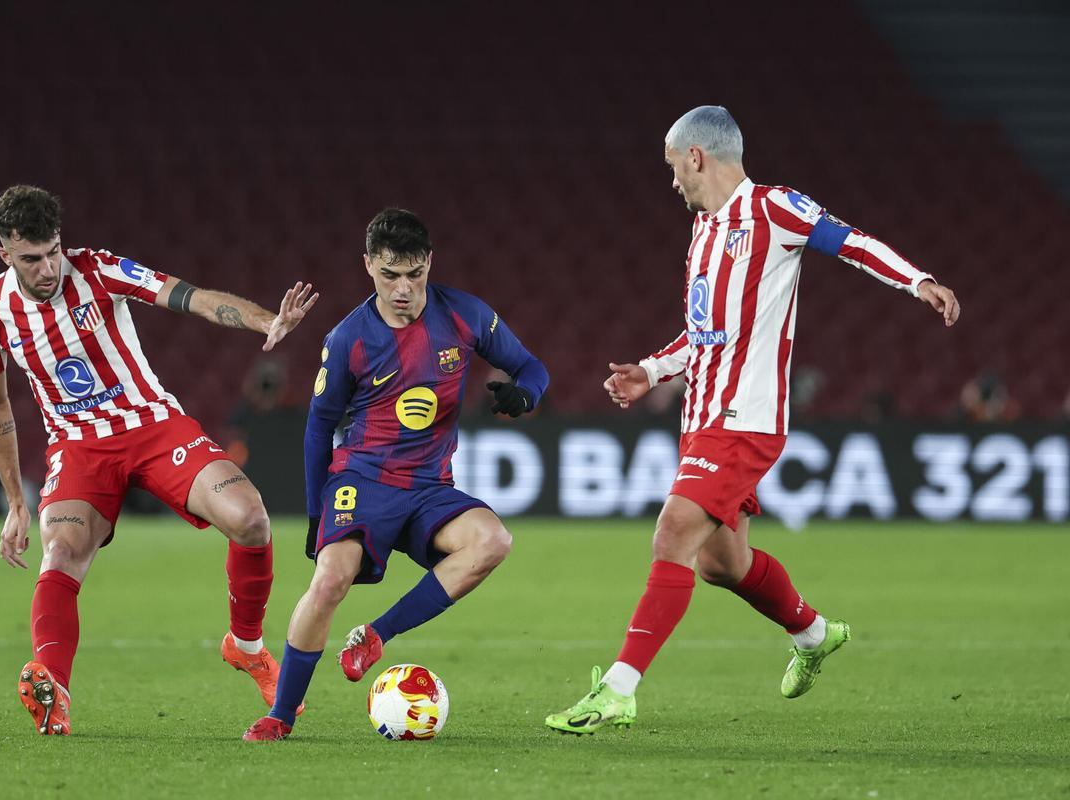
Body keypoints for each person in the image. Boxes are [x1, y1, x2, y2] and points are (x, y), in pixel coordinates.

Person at [545, 106, 961, 735]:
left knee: (672, 532)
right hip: (702, 415)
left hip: (747, 417)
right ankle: (815, 634)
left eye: (672, 168)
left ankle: (619, 689)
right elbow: (702, 335)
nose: (672, 184)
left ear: (696, 157)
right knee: (720, 563)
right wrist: (651, 372)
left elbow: (851, 242)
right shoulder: (703, 234)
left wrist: (917, 281)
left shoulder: (773, 208)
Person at [0, 185, 318, 735]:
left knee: (251, 520)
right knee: (61, 553)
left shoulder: (100, 270)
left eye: (52, 251)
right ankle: (52, 688)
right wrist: (16, 499)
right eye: (31, 258)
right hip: (78, 446)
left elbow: (194, 297)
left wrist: (264, 322)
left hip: (152, 425)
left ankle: (246, 645)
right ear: (5, 255)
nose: (46, 268)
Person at [242, 208, 549, 741]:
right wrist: (317, 516)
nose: (403, 288)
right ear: (368, 266)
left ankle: (376, 636)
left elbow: (532, 367)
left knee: (493, 541)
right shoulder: (348, 340)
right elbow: (318, 431)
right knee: (331, 579)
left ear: (430, 262)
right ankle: (281, 714)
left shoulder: (466, 316)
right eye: (389, 275)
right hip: (362, 482)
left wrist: (525, 395)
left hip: (430, 487)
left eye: (414, 274)